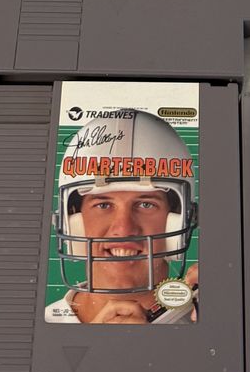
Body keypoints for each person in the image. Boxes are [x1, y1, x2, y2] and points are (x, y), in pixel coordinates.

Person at [47, 108, 198, 324]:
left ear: (177, 219)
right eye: (103, 205)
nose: (124, 229)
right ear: (73, 221)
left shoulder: (210, 320)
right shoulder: (40, 324)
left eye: (146, 204)